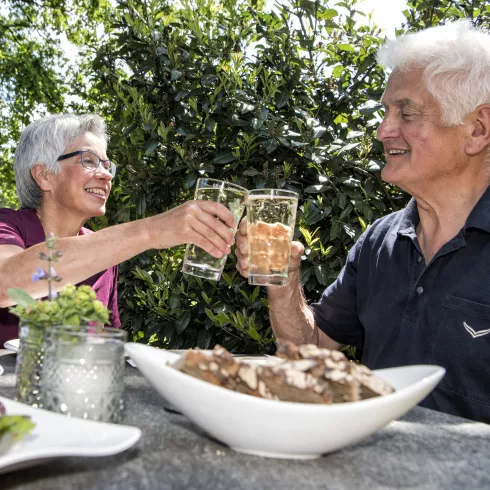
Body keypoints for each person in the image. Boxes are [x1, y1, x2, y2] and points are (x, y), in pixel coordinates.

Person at [236, 20, 490, 424]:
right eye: (386, 111)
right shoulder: (380, 242)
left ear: (477, 129)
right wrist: (284, 286)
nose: (382, 130)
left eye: (406, 112)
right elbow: (310, 353)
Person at [0, 114, 236, 344]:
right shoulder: (7, 224)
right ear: (44, 175)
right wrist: (151, 231)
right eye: (88, 160)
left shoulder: (103, 254)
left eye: (107, 165)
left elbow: (109, 343)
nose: (105, 175)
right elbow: (5, 282)